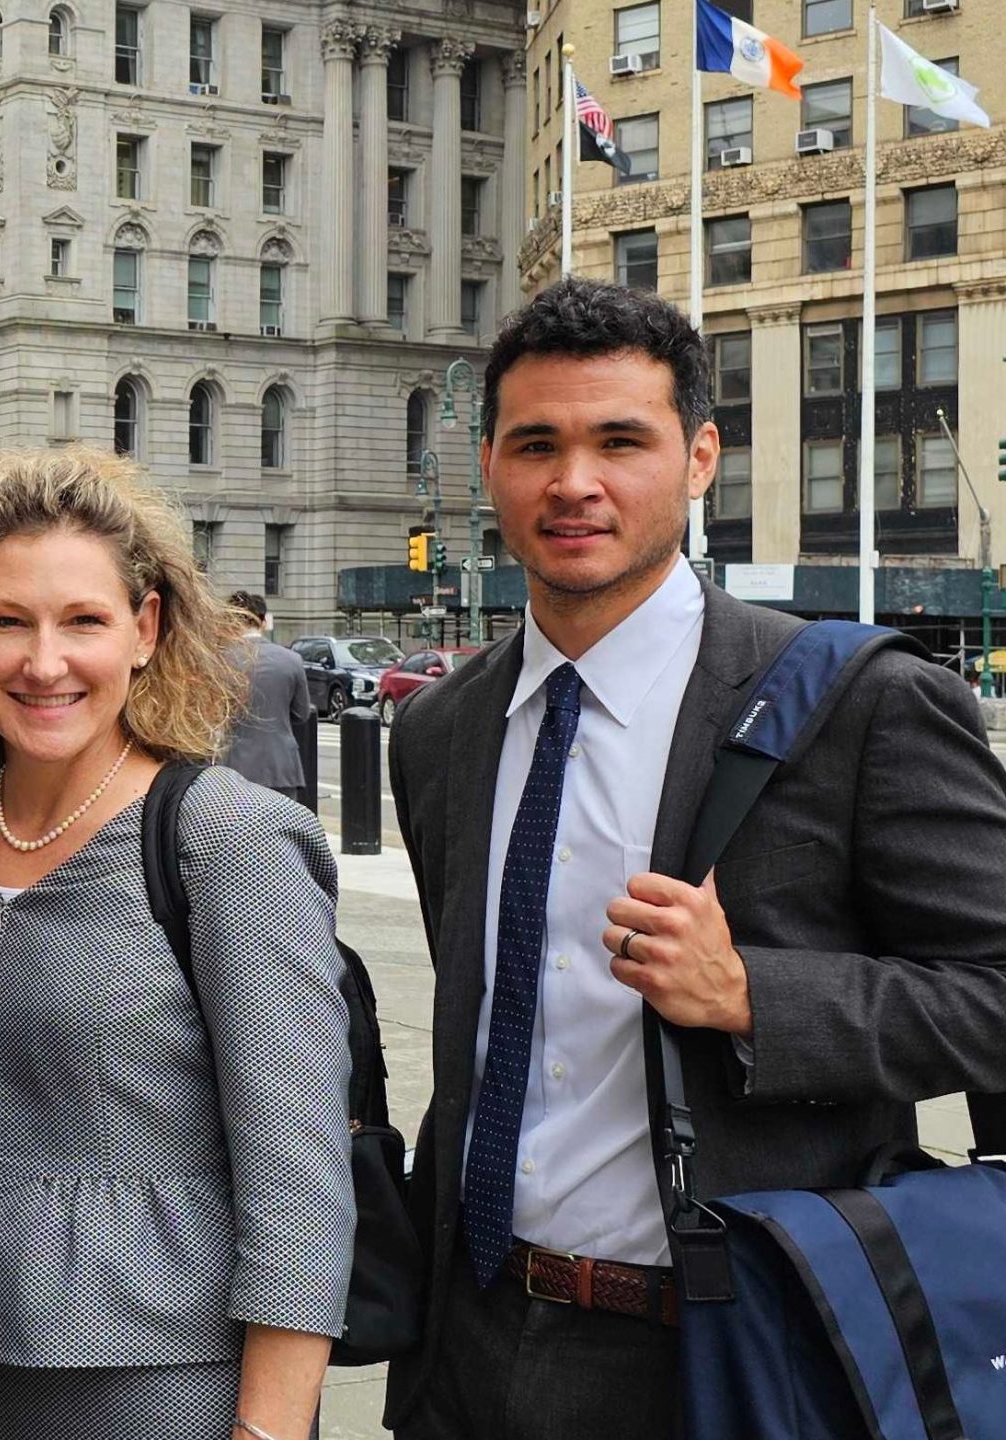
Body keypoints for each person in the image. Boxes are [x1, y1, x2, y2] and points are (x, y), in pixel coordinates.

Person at [383, 278, 1006, 1439]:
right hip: (467, 1349)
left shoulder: (859, 705)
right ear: (489, 471)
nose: (574, 482)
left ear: (700, 457)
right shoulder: (437, 733)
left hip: (737, 1349)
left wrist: (756, 996)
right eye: (536, 444)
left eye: (621, 440)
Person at [0, 450, 355, 1440]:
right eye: (8, 620)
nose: (43, 662)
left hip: (166, 1387)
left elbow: (300, 1188)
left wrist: (267, 1431)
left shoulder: (225, 839)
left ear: (144, 631)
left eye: (83, 621)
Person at [219, 590, 311, 803]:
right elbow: (301, 713)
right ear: (262, 621)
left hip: (233, 767)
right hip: (281, 767)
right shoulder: (292, 660)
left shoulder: (220, 660)